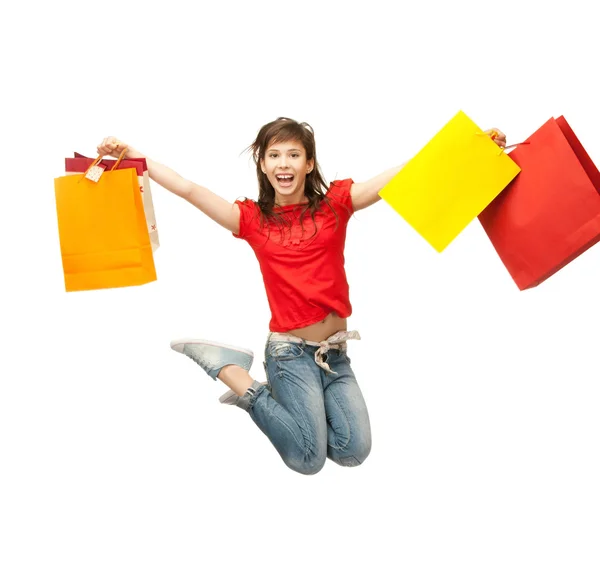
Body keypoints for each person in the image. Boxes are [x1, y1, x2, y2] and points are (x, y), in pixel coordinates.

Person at [97, 118, 506, 475]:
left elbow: (400, 176)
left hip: (335, 354)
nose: (284, 164)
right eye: (274, 155)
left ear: (308, 163)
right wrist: (135, 156)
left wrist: (470, 148)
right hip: (289, 354)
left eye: (294, 155)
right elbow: (187, 188)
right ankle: (236, 376)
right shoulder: (251, 220)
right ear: (263, 164)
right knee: (307, 460)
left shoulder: (336, 205)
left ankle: (278, 405)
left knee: (352, 453)